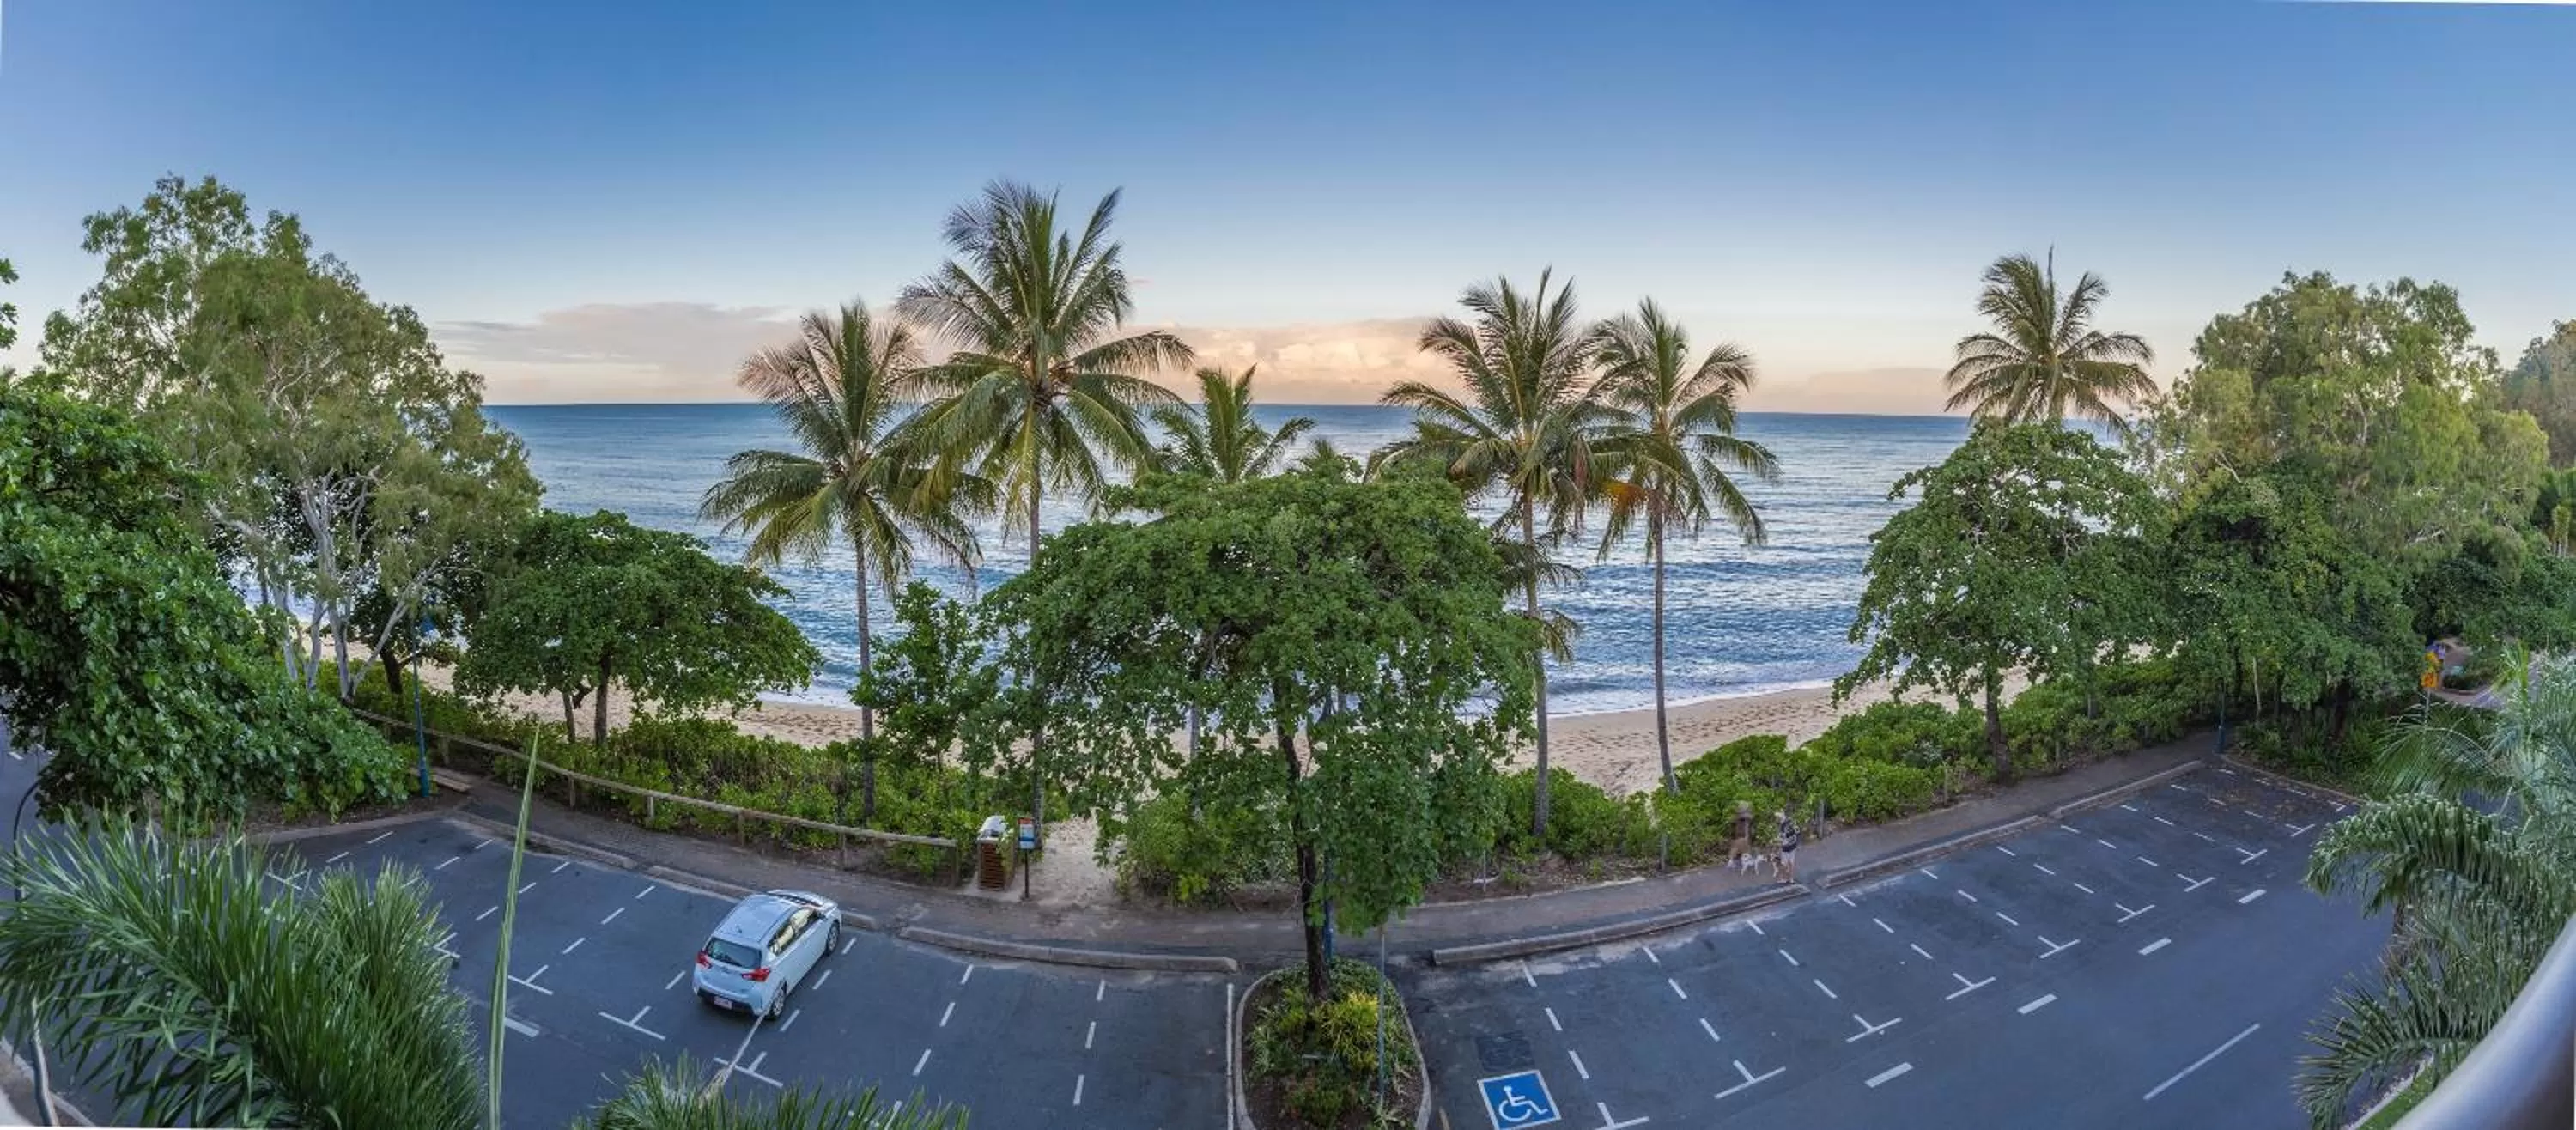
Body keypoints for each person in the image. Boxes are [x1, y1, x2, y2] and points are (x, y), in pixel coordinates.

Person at [1773, 808, 1801, 885]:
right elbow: (1797, 831)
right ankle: (1791, 879)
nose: (1777, 821)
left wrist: (1776, 840)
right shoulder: (1791, 821)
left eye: (1777, 819)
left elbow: (1782, 838)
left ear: (1780, 818)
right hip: (1793, 845)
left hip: (1786, 847)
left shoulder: (1782, 826)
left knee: (1783, 864)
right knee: (1792, 863)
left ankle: (1783, 879)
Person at [1729, 801, 1754, 872]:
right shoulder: (1739, 819)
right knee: (1742, 847)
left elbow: (1748, 828)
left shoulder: (1742, 819)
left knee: (1739, 847)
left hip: (1740, 835)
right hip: (1741, 836)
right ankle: (1739, 861)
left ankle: (1737, 861)